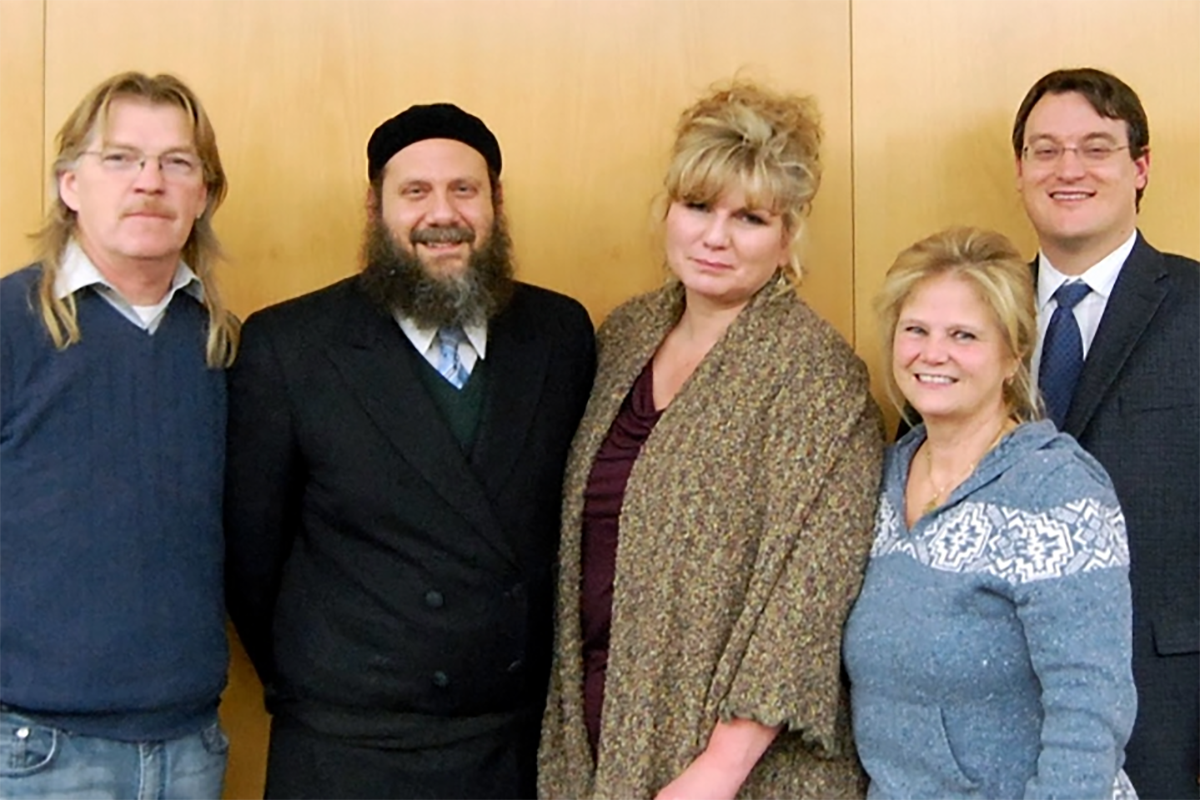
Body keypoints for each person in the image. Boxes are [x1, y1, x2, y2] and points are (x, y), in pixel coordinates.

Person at [223, 102, 595, 799]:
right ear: (376, 208)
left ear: (496, 202)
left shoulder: (559, 334)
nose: (441, 214)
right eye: (414, 192)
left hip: (507, 744)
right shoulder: (291, 346)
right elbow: (251, 558)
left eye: (464, 189)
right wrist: (336, 670)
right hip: (346, 746)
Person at [538, 80, 883, 799]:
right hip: (599, 730)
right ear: (667, 211)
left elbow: (809, 597)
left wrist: (717, 772)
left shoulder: (816, 377)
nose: (716, 236)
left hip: (735, 770)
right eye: (698, 207)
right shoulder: (626, 335)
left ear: (788, 238)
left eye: (750, 217)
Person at [0, 71, 235, 798]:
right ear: (70, 184)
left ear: (202, 195)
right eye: (120, 158)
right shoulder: (10, 323)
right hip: (36, 751)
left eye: (177, 162)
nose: (149, 182)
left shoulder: (221, 345)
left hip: (192, 747)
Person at [844, 226, 1137, 798]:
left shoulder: (1056, 490)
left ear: (1014, 356)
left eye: (964, 335)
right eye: (916, 330)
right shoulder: (876, 480)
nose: (934, 353)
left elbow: (1091, 709)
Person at [1012, 67, 1200, 798]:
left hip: (1166, 720)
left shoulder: (1195, 308)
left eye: (1095, 148)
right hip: (998, 718)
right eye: (1046, 150)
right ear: (1021, 169)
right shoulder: (968, 322)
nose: (1069, 170)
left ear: (1140, 167)